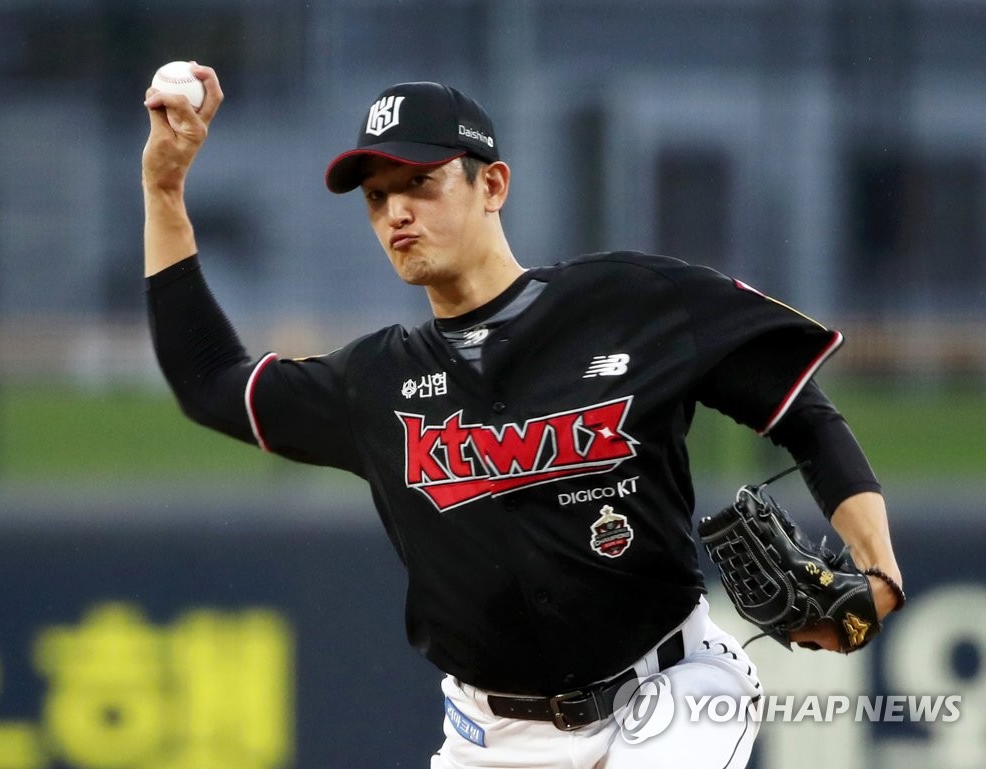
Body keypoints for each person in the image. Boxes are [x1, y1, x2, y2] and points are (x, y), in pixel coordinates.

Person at [142, 64, 904, 769]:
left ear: (492, 184)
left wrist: (877, 568)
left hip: (671, 697)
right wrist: (166, 191)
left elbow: (801, 412)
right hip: (490, 738)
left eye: (420, 180)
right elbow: (211, 382)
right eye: (378, 196)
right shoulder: (373, 382)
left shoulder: (633, 304)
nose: (397, 211)